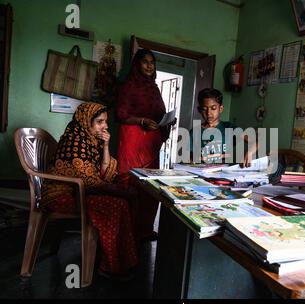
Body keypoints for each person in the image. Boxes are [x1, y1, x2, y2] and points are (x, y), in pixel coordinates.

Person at [42, 102, 138, 278]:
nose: (105, 126)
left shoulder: (91, 140)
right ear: (86, 121)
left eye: (105, 121)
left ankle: (124, 261)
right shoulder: (74, 142)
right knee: (114, 205)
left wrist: (107, 146)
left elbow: (104, 173)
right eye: (100, 122)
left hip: (80, 192)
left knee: (123, 203)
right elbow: (88, 180)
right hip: (62, 195)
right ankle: (110, 267)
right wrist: (115, 189)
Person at [115, 48, 175, 240]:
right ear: (137, 64)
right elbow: (120, 115)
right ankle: (125, 232)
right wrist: (141, 121)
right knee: (130, 181)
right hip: (133, 139)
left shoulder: (153, 87)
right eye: (145, 62)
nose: (149, 66)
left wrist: (167, 121)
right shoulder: (128, 85)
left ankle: (144, 230)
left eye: (152, 62)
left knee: (150, 185)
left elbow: (158, 114)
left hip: (150, 142)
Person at [189, 88, 255, 166]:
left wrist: (250, 152)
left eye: (213, 108)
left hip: (222, 172)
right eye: (204, 109)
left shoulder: (229, 128)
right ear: (199, 110)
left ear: (220, 109)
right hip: (200, 172)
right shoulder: (195, 131)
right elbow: (190, 157)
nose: (208, 113)